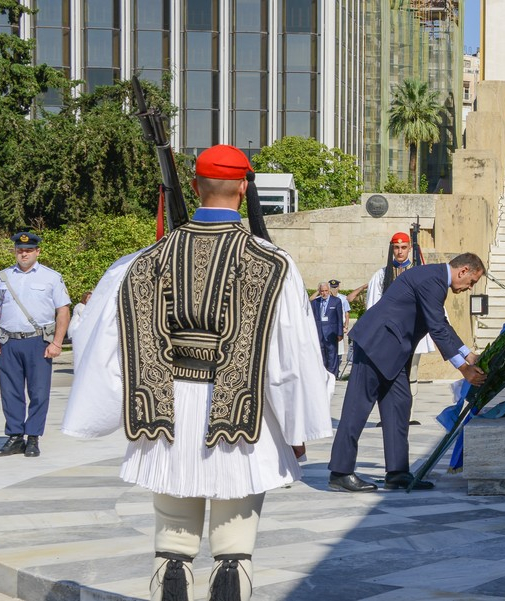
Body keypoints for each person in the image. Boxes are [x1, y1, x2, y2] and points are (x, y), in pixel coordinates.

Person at [62, 144, 333, 601]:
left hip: (165, 410)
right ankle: (230, 574)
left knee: (171, 545)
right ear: (245, 187)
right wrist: (296, 424)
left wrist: (111, 405)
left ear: (194, 187)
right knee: (235, 553)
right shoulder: (274, 264)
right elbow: (289, 356)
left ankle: (172, 573)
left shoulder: (139, 263)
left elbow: (100, 340)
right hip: (241, 413)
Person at [328, 253, 488, 493]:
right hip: (375, 345)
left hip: (394, 352)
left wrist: (469, 355)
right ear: (463, 270)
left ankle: (397, 472)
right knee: (356, 409)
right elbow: (435, 326)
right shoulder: (432, 280)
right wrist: (464, 369)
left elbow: (442, 324)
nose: (470, 288)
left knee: (399, 407)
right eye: (472, 281)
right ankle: (340, 473)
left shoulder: (434, 279)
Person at [0, 232, 70, 458]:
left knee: (38, 391)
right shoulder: (3, 278)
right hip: (9, 342)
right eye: (20, 250)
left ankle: (33, 437)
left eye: (28, 250)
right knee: (10, 391)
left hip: (38, 342)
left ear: (37, 252)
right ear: (15, 251)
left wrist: (57, 342)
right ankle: (15, 436)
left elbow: (63, 311)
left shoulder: (51, 277)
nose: (23, 253)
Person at [366, 232, 435, 425]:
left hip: (413, 333)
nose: (399, 251)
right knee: (387, 374)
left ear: (409, 249)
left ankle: (408, 416)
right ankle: (387, 417)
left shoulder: (419, 273)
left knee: (411, 373)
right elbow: (373, 305)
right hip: (389, 335)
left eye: (403, 247)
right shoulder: (381, 275)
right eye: (396, 248)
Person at [312, 281, 345, 376]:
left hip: (331, 333)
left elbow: (339, 318)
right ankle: (323, 374)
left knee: (332, 355)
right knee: (322, 355)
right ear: (319, 291)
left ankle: (332, 375)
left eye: (326, 291)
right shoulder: (315, 302)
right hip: (319, 332)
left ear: (329, 290)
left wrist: (340, 333)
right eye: (322, 291)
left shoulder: (336, 301)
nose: (324, 293)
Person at [328, 279, 351, 368]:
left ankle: (337, 366)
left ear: (338, 287)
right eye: (332, 287)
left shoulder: (343, 298)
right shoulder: (326, 297)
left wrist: (346, 326)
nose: (334, 289)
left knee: (339, 347)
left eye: (335, 287)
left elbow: (346, 313)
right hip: (328, 325)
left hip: (339, 325)